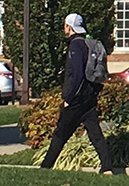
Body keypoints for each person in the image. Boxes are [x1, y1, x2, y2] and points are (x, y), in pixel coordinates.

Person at [39, 13, 119, 174]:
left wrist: (69, 98)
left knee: (60, 134)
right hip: (90, 97)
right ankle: (107, 167)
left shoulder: (76, 46)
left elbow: (77, 74)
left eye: (65, 25)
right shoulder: (89, 43)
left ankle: (45, 168)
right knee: (95, 134)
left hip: (76, 100)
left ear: (69, 27)